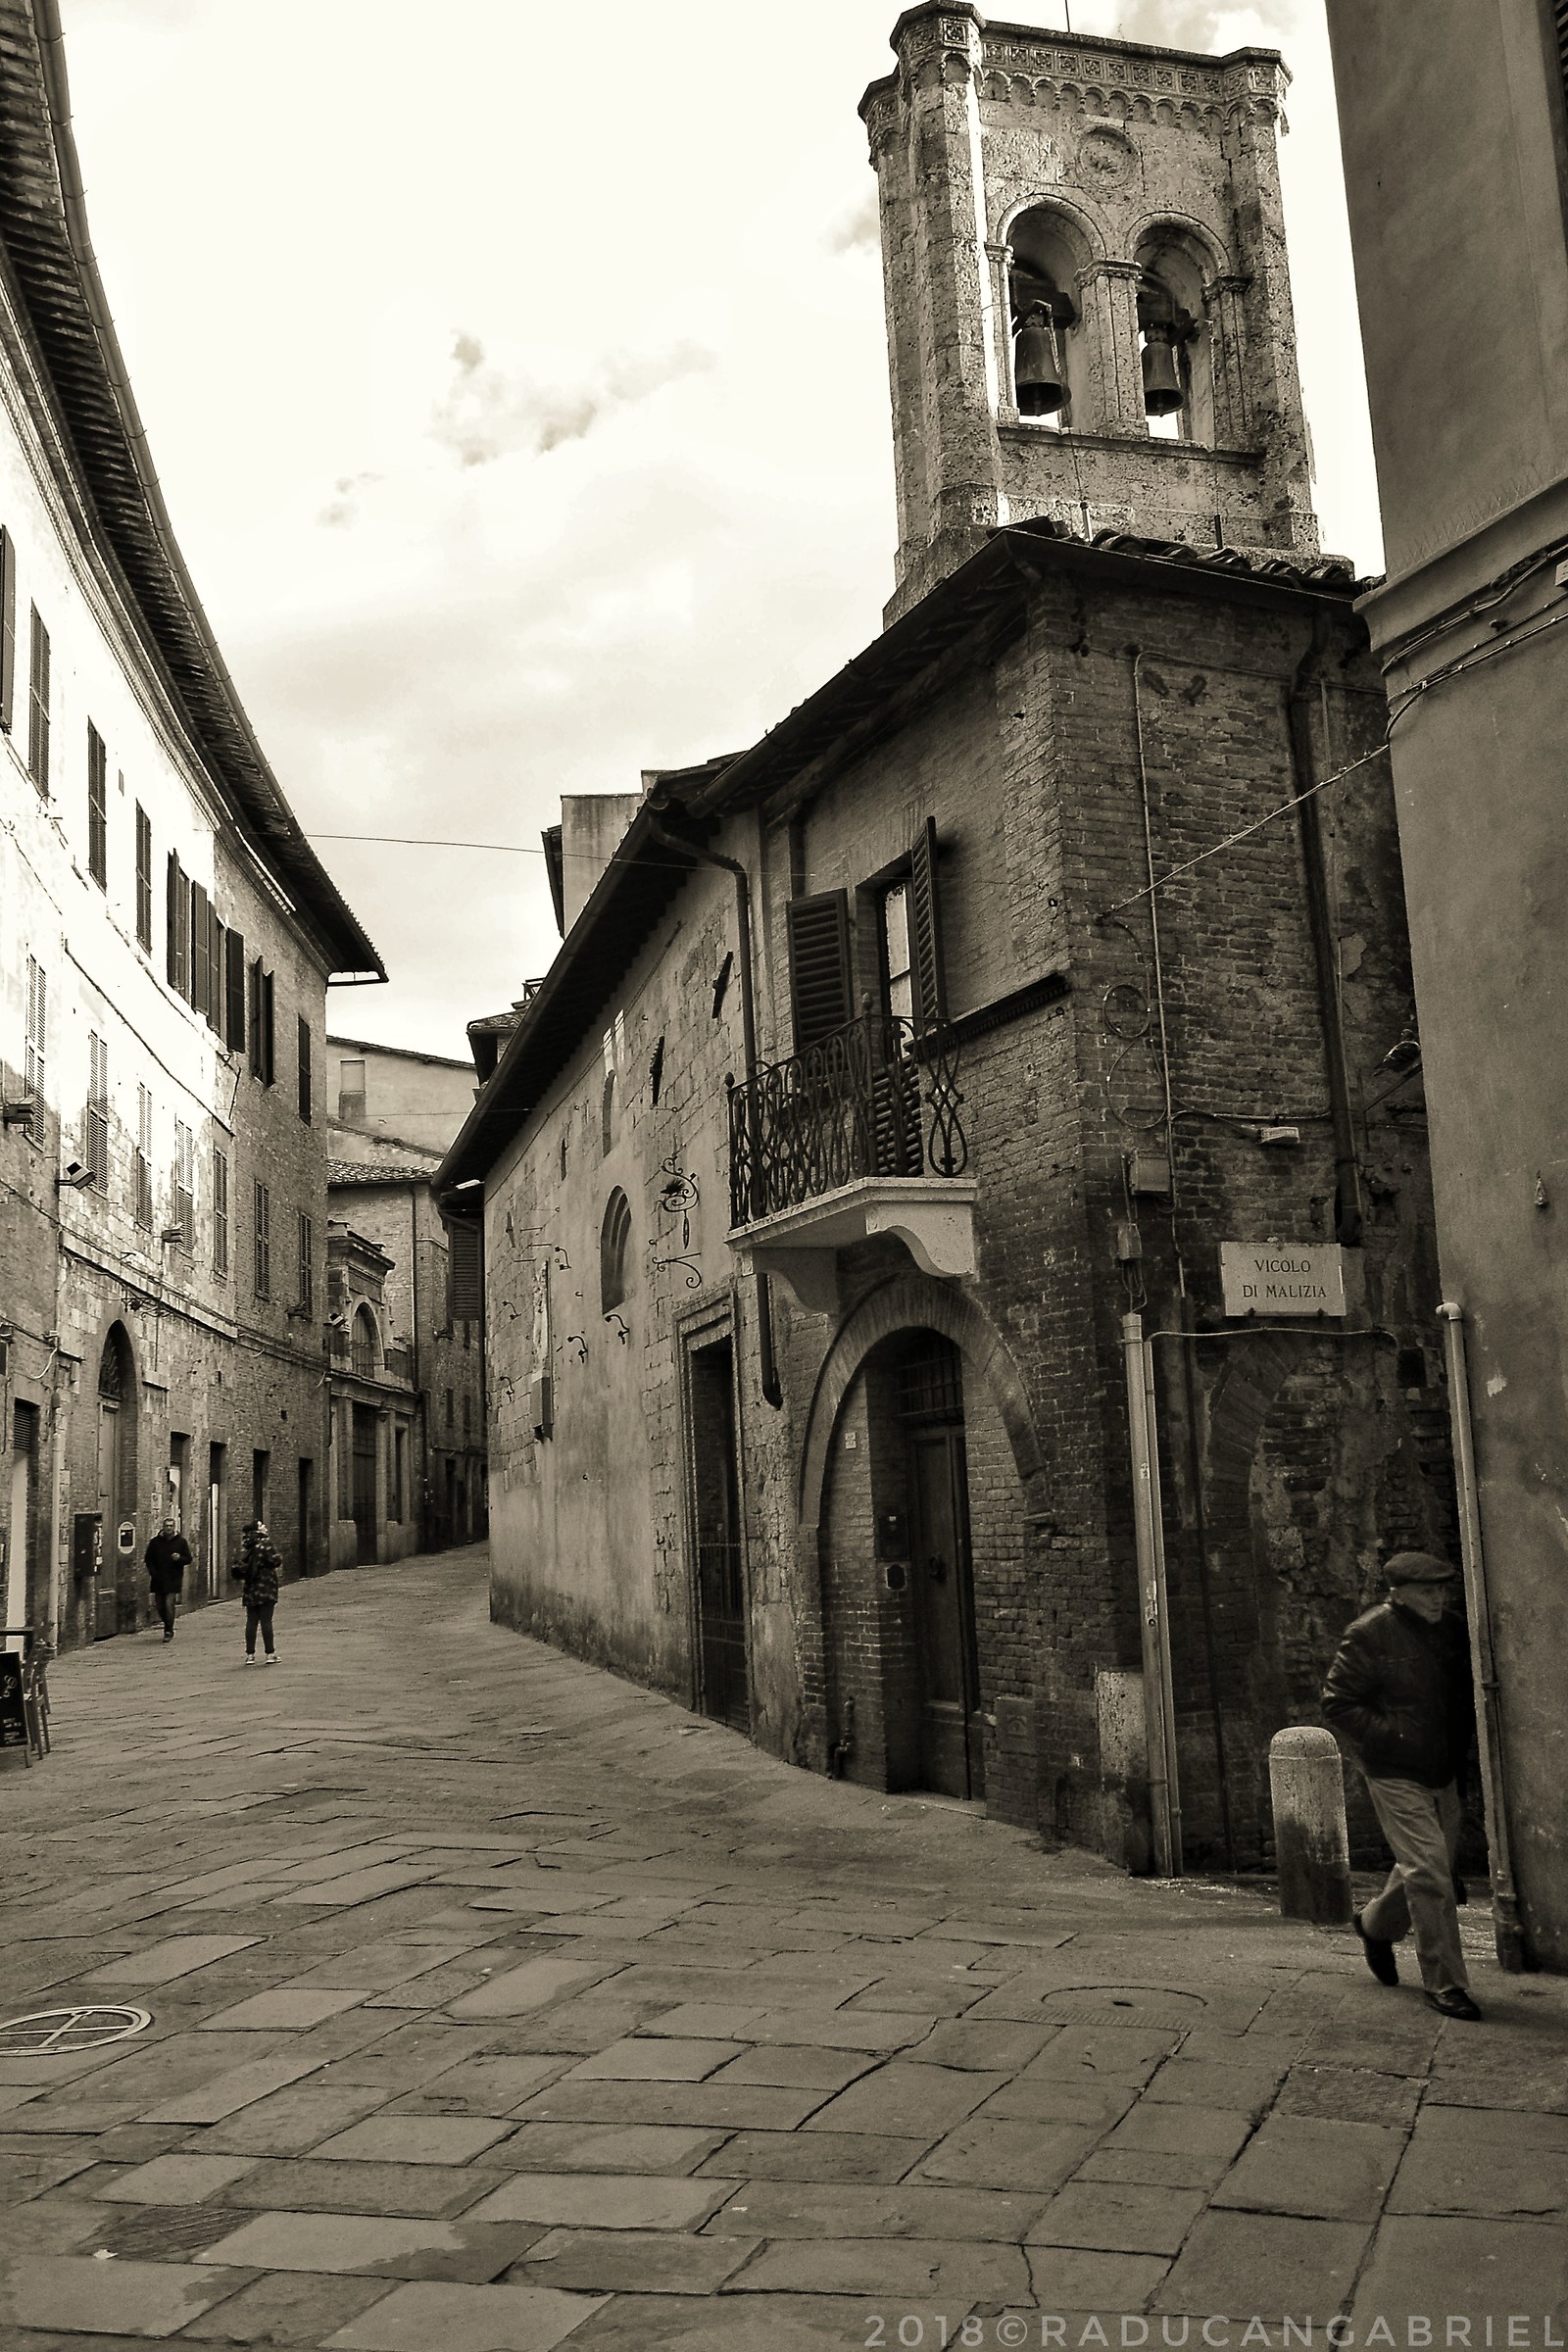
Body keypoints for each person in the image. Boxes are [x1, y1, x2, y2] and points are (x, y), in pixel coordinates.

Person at [1321, 1549, 1480, 2021]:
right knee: (1431, 1872)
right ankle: (1445, 1983)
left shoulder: (1451, 1629)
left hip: (1443, 1769)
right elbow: (1338, 1702)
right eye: (1427, 1590)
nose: (1438, 1598)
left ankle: (1373, 1926)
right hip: (1394, 1771)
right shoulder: (1369, 1633)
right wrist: (1396, 1736)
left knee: (1426, 1867)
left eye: (1442, 1589)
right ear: (1399, 1592)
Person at [233, 1520, 282, 1665]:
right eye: (261, 1525)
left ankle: (250, 1655)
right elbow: (275, 1561)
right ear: (257, 1530)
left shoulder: (246, 1545)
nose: (265, 1527)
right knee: (266, 1621)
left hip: (250, 1588)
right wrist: (277, 1557)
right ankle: (270, 1653)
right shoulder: (265, 1544)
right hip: (266, 1587)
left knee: (251, 1621)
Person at [143, 1518, 192, 1642]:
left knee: (169, 1605)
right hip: (158, 1579)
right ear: (163, 1527)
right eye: (166, 1526)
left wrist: (179, 1558)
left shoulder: (181, 1542)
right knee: (160, 1606)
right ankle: (167, 1623)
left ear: (174, 1527)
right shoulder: (155, 1542)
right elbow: (148, 1559)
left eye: (171, 1526)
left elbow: (188, 1559)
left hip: (173, 1578)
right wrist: (153, 1572)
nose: (168, 1528)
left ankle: (168, 1630)